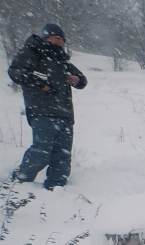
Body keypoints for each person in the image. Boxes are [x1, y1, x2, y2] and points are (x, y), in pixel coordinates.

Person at [7, 23, 87, 190]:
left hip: (65, 113)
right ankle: (18, 183)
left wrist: (76, 79)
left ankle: (55, 188)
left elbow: (82, 80)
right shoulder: (32, 52)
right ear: (46, 37)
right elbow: (15, 72)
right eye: (57, 38)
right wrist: (35, 80)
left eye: (63, 39)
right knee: (41, 152)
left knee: (62, 156)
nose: (61, 42)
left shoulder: (62, 59)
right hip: (42, 110)